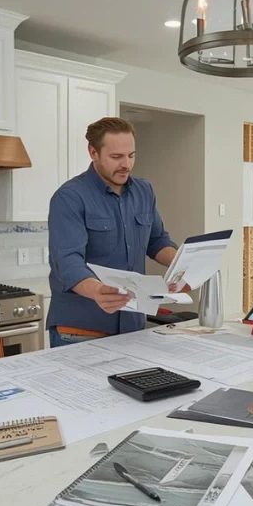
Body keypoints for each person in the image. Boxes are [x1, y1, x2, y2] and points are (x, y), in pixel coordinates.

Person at [46, 117, 180, 347]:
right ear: (93, 152)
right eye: (116, 157)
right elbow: (67, 262)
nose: (126, 164)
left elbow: (157, 241)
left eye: (131, 155)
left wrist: (183, 264)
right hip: (81, 331)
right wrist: (99, 291)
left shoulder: (144, 190)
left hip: (133, 325)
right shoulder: (69, 197)